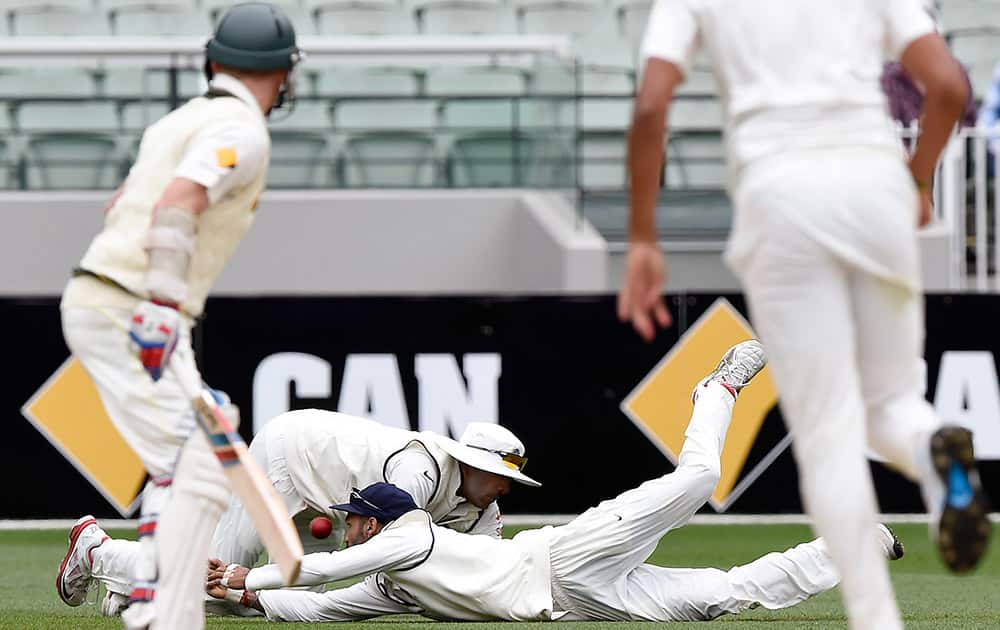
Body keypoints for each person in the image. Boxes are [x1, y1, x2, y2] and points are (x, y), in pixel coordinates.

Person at [618, 2, 990, 629]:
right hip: (875, 186)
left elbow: (653, 105)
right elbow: (950, 86)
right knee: (896, 405)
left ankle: (879, 620)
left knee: (828, 441)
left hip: (782, 195)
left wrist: (643, 238)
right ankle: (932, 454)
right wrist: (919, 182)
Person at [205, 341, 905, 623]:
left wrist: (246, 582)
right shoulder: (397, 572)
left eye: (360, 516)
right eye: (499, 478)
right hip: (572, 596)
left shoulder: (409, 538)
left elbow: (324, 564)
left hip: (567, 553)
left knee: (698, 478)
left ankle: (717, 387)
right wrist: (246, 605)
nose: (504, 490)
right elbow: (323, 605)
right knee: (721, 597)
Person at [54, 3, 303, 629]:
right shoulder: (240, 131)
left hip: (122, 301)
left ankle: (156, 601)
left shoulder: (182, 119)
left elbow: (125, 202)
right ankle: (156, 613)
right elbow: (177, 202)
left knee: (208, 445)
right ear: (281, 74)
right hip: (133, 308)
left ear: (214, 61)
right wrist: (162, 304)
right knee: (191, 463)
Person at [61, 415, 539, 617]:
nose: (504, 488)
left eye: (509, 481)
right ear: (471, 465)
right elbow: (383, 554)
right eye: (500, 477)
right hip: (288, 455)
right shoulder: (420, 469)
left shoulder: (484, 509)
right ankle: (99, 551)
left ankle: (137, 590)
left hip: (336, 505)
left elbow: (482, 568)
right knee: (219, 573)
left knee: (257, 600)